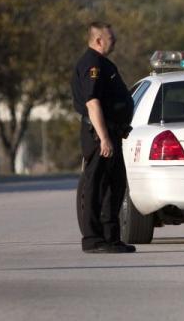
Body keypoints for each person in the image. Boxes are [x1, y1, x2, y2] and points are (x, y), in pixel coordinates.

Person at [71, 22, 136, 254]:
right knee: (96, 187)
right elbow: (92, 103)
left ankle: (111, 237)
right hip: (99, 136)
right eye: (111, 37)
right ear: (98, 40)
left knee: (114, 187)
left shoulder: (103, 63)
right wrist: (104, 138)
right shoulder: (92, 64)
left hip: (111, 133)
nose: (115, 40)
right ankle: (93, 239)